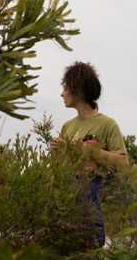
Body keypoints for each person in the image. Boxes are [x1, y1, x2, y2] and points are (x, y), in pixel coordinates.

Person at [51, 62, 129, 248]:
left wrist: (92, 152)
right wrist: (58, 153)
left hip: (91, 192)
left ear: (77, 89)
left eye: (65, 87)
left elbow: (124, 163)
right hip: (66, 194)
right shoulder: (67, 126)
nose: (62, 93)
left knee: (90, 247)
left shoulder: (107, 124)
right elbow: (60, 167)